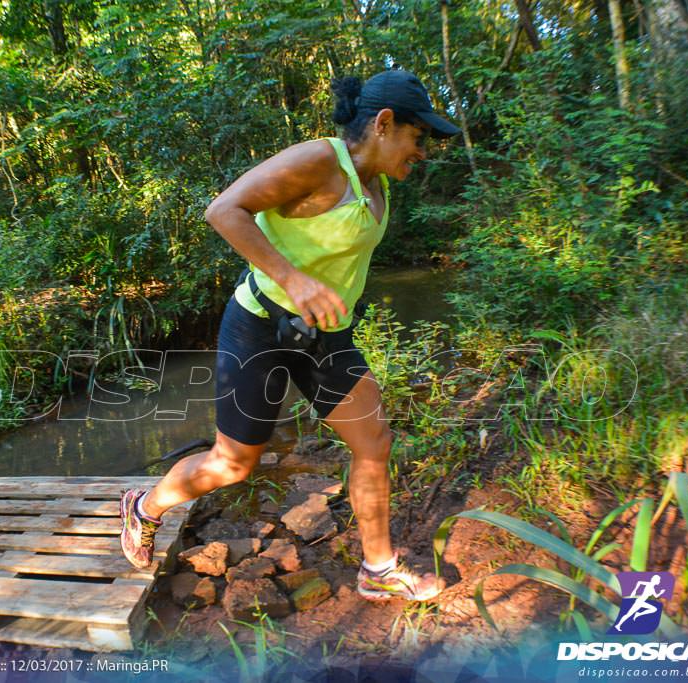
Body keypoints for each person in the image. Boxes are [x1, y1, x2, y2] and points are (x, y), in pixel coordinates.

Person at [120, 70, 461, 601]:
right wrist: (294, 279)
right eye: (419, 139)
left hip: (322, 335)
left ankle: (379, 570)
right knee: (233, 463)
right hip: (259, 325)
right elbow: (223, 211)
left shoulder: (376, 186)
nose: (423, 153)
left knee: (373, 441)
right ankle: (144, 506)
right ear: (385, 123)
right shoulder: (321, 161)